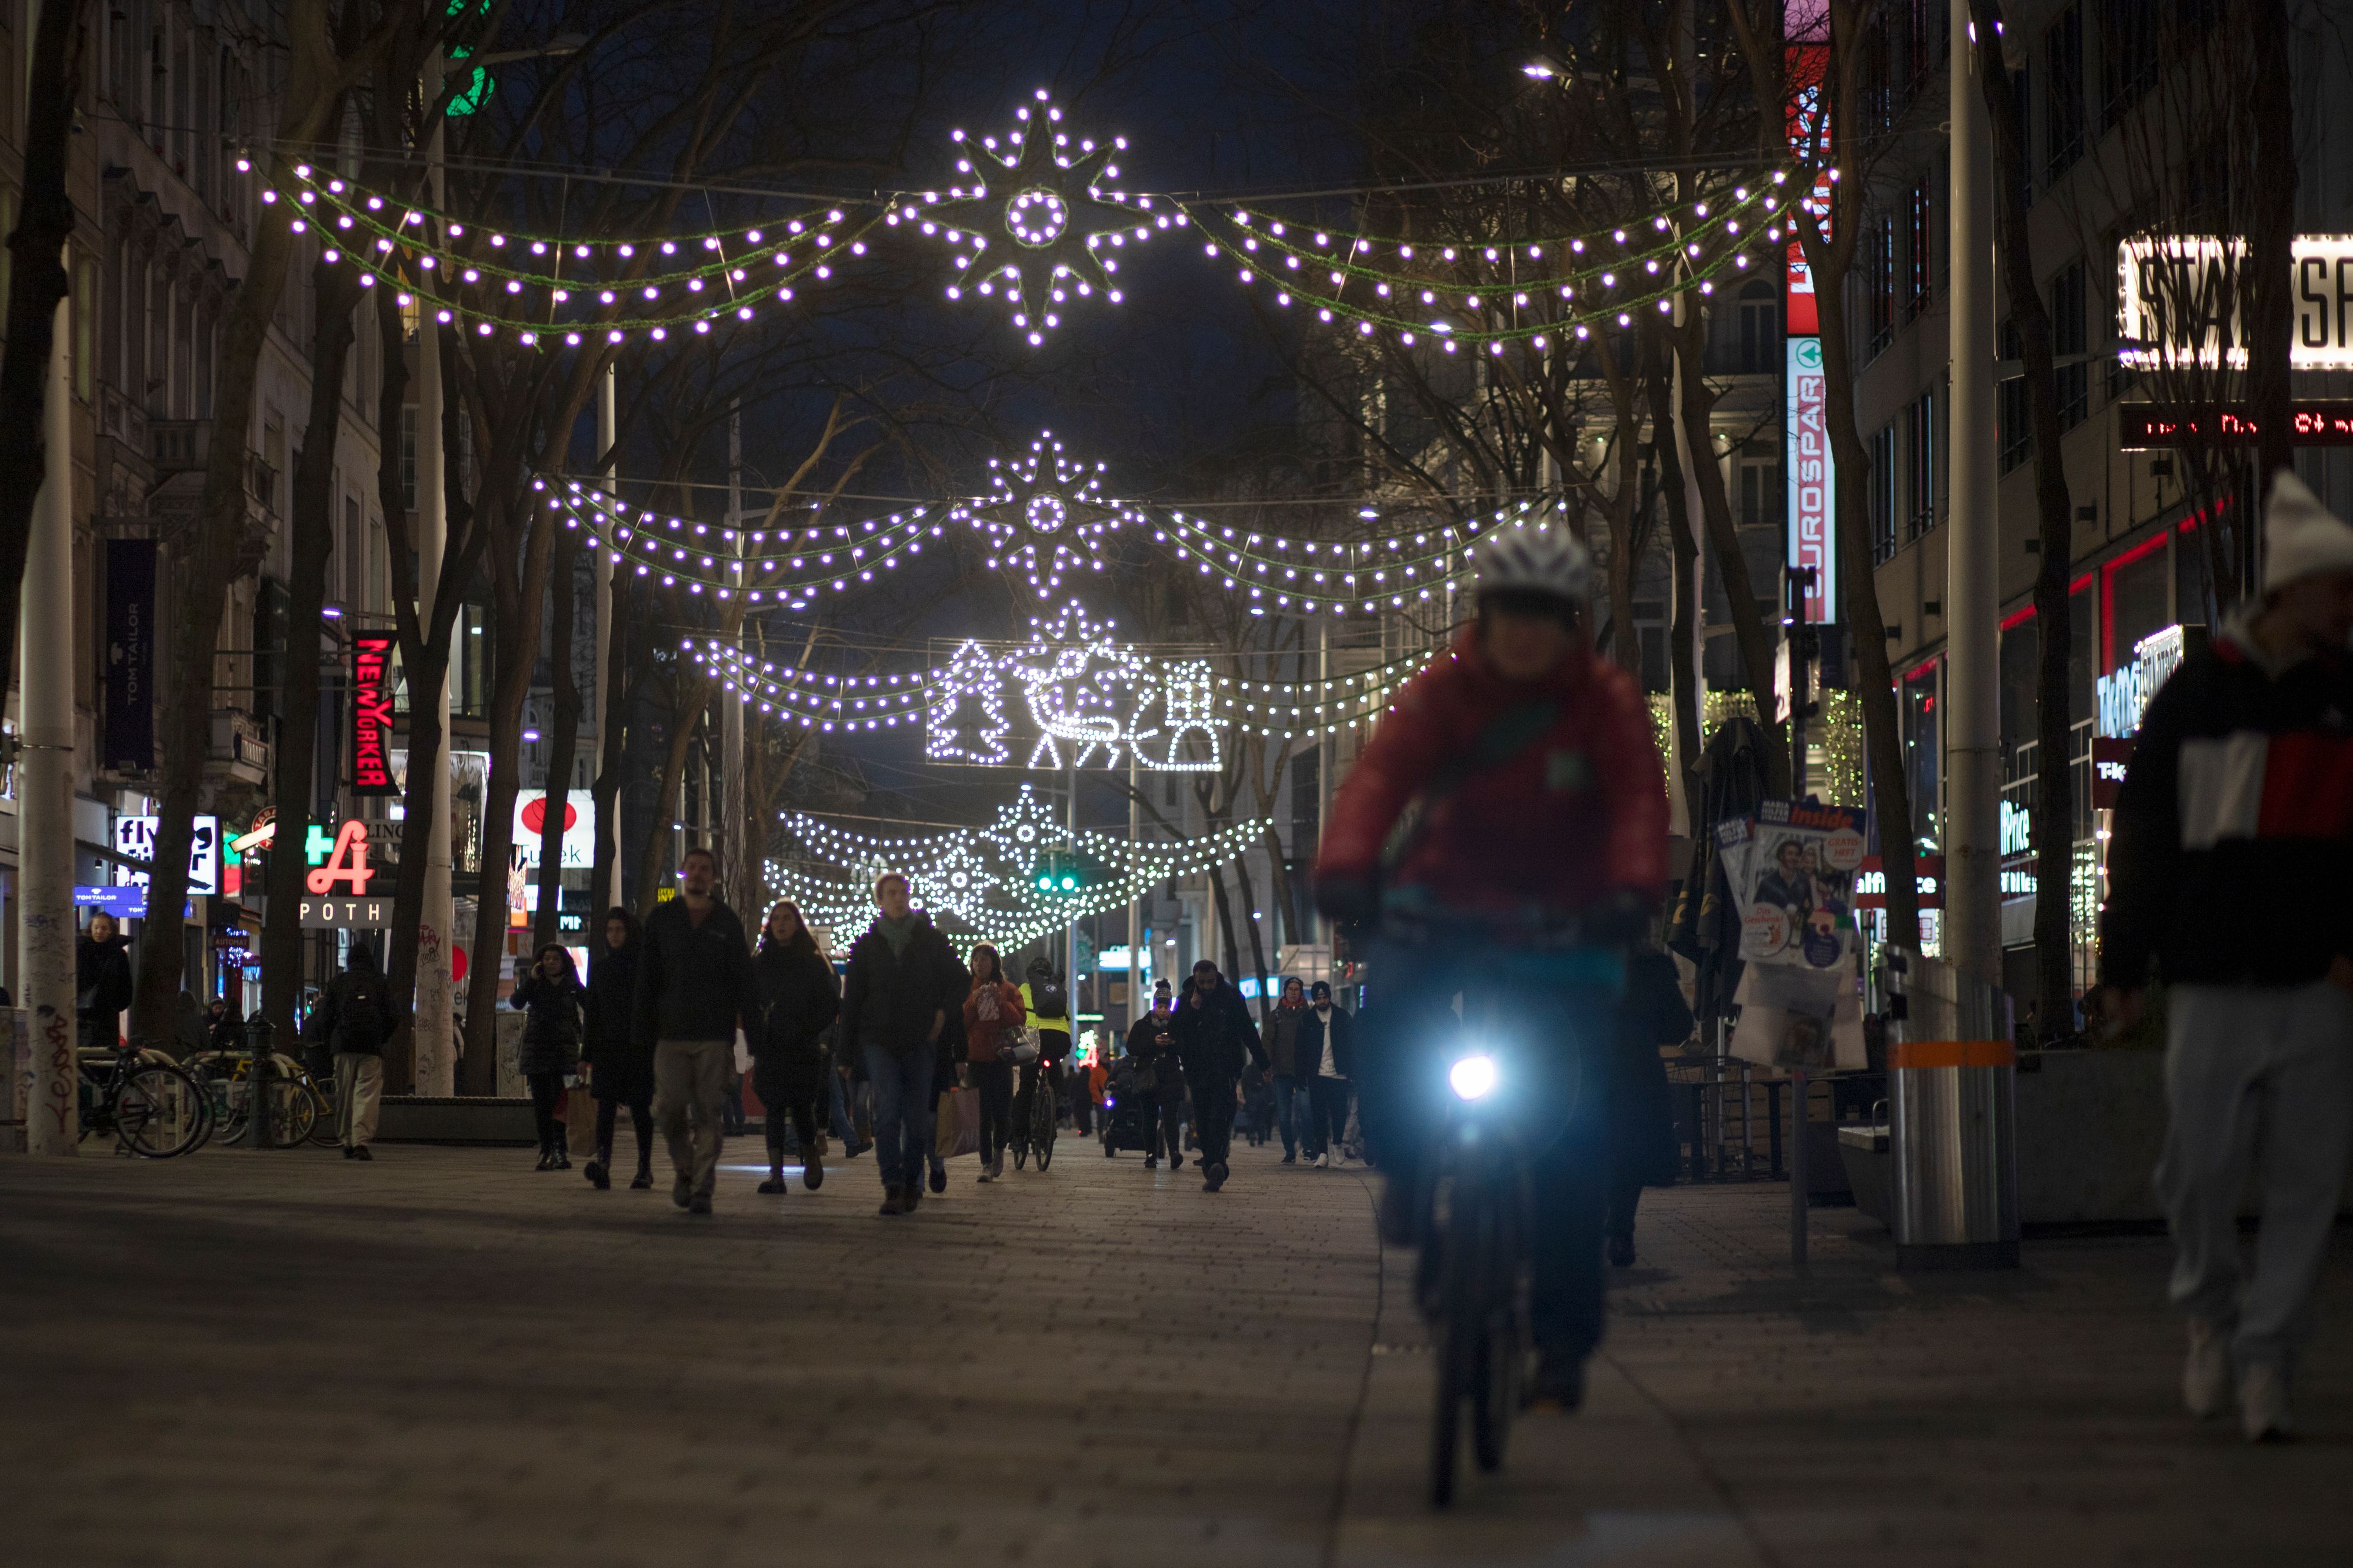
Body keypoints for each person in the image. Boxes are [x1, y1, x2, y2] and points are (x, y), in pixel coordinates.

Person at [1315, 524, 1667, 1410]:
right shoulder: (1445, 692)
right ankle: (1403, 1163)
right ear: (1486, 614)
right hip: (1448, 902)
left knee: (1573, 1137)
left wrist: (1630, 892)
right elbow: (1378, 777)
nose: (1525, 632)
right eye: (1511, 612)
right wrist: (1348, 868)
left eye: (1545, 615)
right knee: (1391, 1009)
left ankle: (1560, 1341)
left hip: (1570, 919)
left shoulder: (1606, 704)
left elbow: (1635, 802)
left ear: (1569, 624)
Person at [2100, 470, 2353, 1442]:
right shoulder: (2198, 696)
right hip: (2212, 978)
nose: (2348, 607)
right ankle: (2213, 1316)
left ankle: (2265, 1362)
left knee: (2306, 1183)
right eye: (2339, 588)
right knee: (2196, 1171)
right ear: (2293, 588)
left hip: (2313, 983)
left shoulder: (2340, 699)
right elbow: (2148, 838)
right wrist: (2128, 963)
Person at [632, 846, 756, 1216]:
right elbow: (646, 979)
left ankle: (702, 1184)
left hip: (713, 1035)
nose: (699, 874)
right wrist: (641, 1032)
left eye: (706, 869)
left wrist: (753, 1037)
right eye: (693, 867)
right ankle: (685, 1167)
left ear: (714, 877)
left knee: (708, 1111)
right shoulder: (663, 919)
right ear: (683, 873)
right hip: (669, 1033)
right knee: (668, 1109)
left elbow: (744, 982)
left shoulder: (726, 923)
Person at [838, 872, 965, 1216]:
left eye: (902, 892)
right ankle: (892, 1184)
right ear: (880, 900)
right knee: (888, 1113)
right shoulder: (867, 946)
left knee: (917, 1118)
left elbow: (959, 981)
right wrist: (845, 1053)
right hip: (879, 1039)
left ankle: (912, 1182)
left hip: (920, 1039)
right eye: (890, 893)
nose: (897, 898)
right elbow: (852, 1001)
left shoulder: (929, 940)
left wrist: (942, 1015)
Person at [1607, 946, 1694, 1267]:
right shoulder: (1649, 965)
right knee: (1631, 1154)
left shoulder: (1561, 953)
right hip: (1636, 1076)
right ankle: (1621, 1227)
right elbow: (1680, 1026)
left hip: (1573, 1074)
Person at [751, 899, 841, 1196]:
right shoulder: (761, 962)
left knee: (802, 1107)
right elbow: (750, 1002)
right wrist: (757, 1036)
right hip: (771, 1045)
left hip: (802, 1046)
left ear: (797, 924)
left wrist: (810, 1029)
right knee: (774, 1108)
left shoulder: (813, 962)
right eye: (776, 919)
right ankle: (776, 1174)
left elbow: (830, 1003)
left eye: (787, 918)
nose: (781, 924)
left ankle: (810, 1153)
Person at [1169, 960, 1264, 1192]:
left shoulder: (1232, 996)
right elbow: (1174, 1031)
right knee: (1202, 1119)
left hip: (1226, 1068)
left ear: (1216, 977)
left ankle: (1217, 1164)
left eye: (1210, 981)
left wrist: (1263, 1062)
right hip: (1197, 1070)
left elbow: (1248, 1031)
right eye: (1202, 982)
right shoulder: (1185, 1000)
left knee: (1220, 1117)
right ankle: (1213, 1164)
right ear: (1195, 979)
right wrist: (1193, 1010)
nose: (1207, 986)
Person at [581, 908, 655, 1192]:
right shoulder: (600, 969)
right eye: (610, 930)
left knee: (640, 1110)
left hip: (638, 1049)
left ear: (630, 932)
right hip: (607, 1050)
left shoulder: (645, 968)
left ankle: (644, 1168)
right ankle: (603, 1164)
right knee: (605, 1110)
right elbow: (594, 1014)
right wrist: (586, 1055)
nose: (614, 935)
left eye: (619, 930)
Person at [306, 943, 397, 1160]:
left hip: (343, 1046)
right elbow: (393, 1016)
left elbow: (325, 1016)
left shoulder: (338, 982)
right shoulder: (379, 983)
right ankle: (361, 1140)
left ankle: (346, 1139)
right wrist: (381, 1037)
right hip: (370, 1047)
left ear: (349, 961)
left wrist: (331, 1040)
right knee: (366, 1094)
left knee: (345, 1092)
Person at [511, 944, 585, 1171]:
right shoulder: (536, 984)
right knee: (542, 1103)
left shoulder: (573, 986)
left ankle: (561, 1150)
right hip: (538, 1053)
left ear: (564, 962)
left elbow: (593, 1006)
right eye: (546, 959)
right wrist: (531, 980)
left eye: (555, 959)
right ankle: (546, 1150)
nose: (550, 962)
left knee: (564, 1103)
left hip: (567, 1055)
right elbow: (517, 1002)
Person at [962, 943, 1025, 1181]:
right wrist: (973, 1002)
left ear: (995, 963)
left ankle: (999, 1150)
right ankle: (985, 1164)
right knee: (981, 1116)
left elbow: (1018, 1020)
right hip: (976, 1059)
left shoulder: (1009, 989)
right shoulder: (967, 989)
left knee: (1002, 1113)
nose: (980, 964)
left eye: (985, 959)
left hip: (1002, 1059)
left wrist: (1001, 1002)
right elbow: (961, 1023)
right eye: (976, 959)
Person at [1014, 954, 1073, 1160]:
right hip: (1060, 1038)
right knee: (1053, 1066)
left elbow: (1016, 1015)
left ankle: (1019, 1136)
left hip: (1033, 1038)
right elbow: (1068, 1018)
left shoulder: (1023, 989)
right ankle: (1055, 1109)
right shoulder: (1059, 990)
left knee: (1026, 1087)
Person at [1125, 978, 1186, 1169]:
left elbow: (1186, 1047)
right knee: (1150, 1117)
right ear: (1154, 1006)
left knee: (1170, 1116)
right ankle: (1150, 1154)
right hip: (1148, 1076)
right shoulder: (1142, 1025)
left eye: (1166, 1007)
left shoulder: (1176, 1025)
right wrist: (1154, 1042)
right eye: (1160, 1006)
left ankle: (1174, 1152)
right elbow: (1132, 1048)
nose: (1163, 1010)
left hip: (1170, 1075)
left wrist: (1173, 1044)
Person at [1300, 980, 1356, 1168]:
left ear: (1330, 997)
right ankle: (1323, 1152)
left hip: (1339, 1073)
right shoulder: (1307, 1020)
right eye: (1318, 998)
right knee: (1319, 1114)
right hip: (1317, 1074)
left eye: (1325, 997)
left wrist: (1352, 1071)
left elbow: (1351, 1045)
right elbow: (1300, 1048)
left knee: (1340, 1112)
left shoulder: (1342, 1016)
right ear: (1314, 999)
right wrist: (1301, 1073)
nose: (1322, 1001)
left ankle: (1338, 1142)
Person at [1264, 976, 1311, 1165]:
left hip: (1303, 1071)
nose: (1293, 992)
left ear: (1301, 992)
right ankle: (1289, 1149)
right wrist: (1267, 1065)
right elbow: (1267, 1040)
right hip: (1281, 1071)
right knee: (1283, 1114)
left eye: (1296, 989)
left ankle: (1307, 1146)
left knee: (1306, 1110)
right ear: (1285, 991)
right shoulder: (1276, 1015)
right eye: (1290, 989)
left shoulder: (1308, 1015)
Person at [75, 912, 134, 1054]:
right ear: (90, 929)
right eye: (96, 928)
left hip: (107, 1019)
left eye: (103, 928)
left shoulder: (118, 955)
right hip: (84, 1017)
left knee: (105, 1058)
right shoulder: (81, 951)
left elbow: (125, 985)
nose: (99, 932)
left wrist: (115, 1005)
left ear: (111, 931)